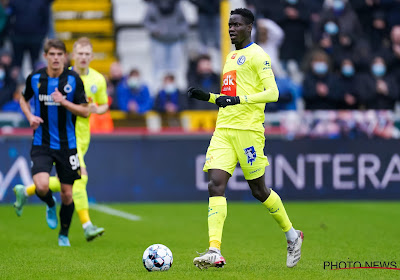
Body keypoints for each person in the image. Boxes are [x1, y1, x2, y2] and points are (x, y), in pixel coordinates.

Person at [187, 8, 303, 269]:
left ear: (249, 28)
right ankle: (214, 249)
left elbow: (272, 93)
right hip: (224, 131)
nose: (231, 29)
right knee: (215, 185)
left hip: (249, 132)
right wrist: (207, 96)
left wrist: (239, 100)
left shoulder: (258, 55)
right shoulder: (231, 57)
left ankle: (292, 235)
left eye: (237, 25)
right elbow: (228, 97)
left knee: (259, 190)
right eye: (230, 25)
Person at [13, 37, 108, 242]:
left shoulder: (75, 80)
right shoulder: (36, 78)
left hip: (70, 144)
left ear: (65, 57)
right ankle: (55, 207)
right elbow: (23, 98)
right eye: (52, 54)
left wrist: (64, 101)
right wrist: (30, 117)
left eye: (59, 54)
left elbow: (85, 111)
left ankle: (64, 234)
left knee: (67, 193)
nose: (56, 58)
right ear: (45, 56)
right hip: (42, 142)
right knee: (43, 186)